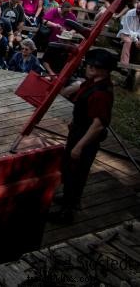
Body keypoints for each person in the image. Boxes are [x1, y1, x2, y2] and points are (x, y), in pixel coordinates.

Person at [48, 49, 117, 224]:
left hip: (86, 137)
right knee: (69, 169)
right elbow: (77, 87)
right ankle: (67, 198)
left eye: (91, 65)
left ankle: (67, 212)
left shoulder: (101, 94)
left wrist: (79, 146)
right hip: (78, 132)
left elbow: (98, 125)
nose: (87, 67)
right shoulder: (92, 83)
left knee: (76, 174)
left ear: (98, 69)